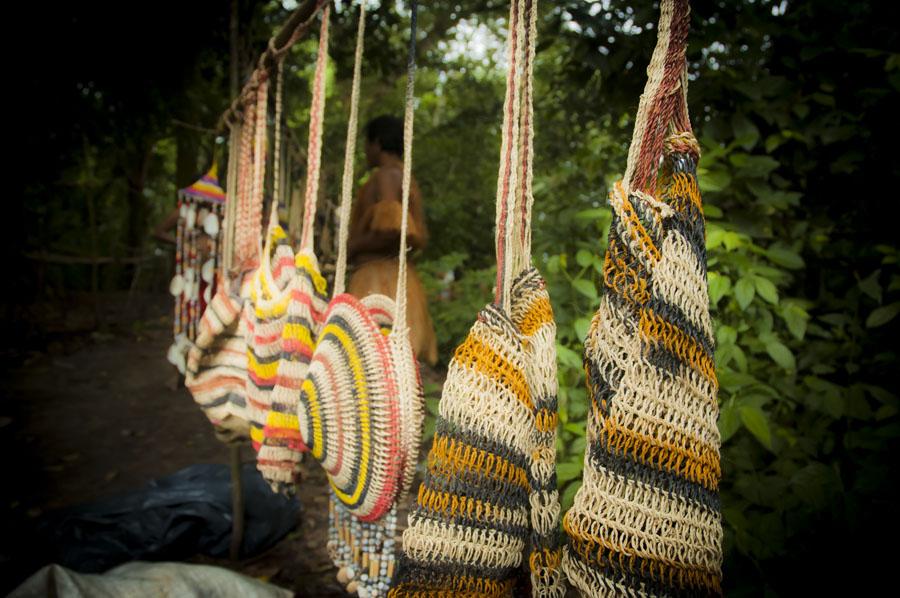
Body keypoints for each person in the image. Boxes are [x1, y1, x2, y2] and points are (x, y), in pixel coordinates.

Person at [347, 115, 438, 366]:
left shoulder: (387, 175)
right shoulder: (405, 176)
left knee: (374, 364)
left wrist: (354, 246)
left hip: (379, 281)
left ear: (377, 143)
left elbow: (394, 232)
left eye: (367, 144)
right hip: (398, 280)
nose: (366, 151)